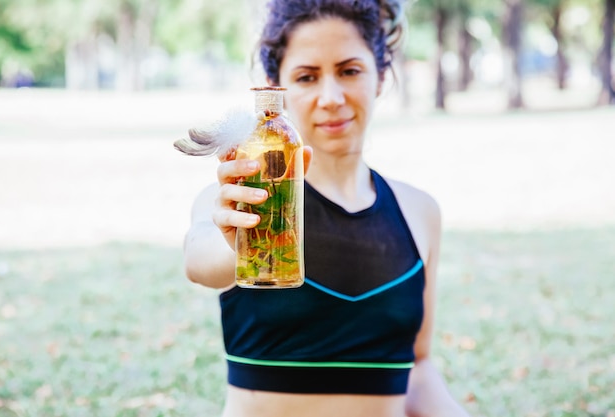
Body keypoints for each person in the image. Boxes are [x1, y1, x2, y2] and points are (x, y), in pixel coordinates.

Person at [182, 0, 471, 416]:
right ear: (274, 88)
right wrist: (238, 244)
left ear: (381, 76)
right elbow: (199, 258)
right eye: (306, 76)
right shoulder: (241, 199)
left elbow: (418, 369)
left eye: (349, 70)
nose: (331, 97)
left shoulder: (419, 211)